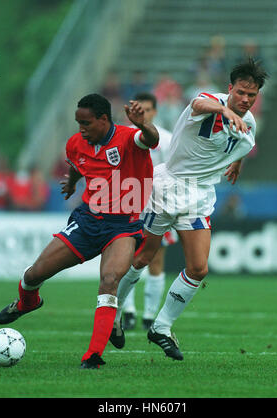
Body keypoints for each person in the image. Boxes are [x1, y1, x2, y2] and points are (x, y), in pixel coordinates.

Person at [110, 58, 268, 360]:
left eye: (252, 95)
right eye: (241, 93)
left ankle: (161, 327)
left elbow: (242, 140)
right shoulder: (211, 101)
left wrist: (236, 161)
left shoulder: (250, 122)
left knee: (198, 268)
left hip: (199, 196)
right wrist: (224, 109)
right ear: (230, 88)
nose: (246, 100)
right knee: (144, 256)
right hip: (169, 188)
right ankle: (113, 313)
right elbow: (197, 103)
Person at [0, 93, 159, 370]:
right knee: (34, 274)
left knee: (109, 280)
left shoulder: (128, 138)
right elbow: (77, 165)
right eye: (78, 123)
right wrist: (72, 183)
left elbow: (151, 140)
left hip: (123, 226)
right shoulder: (76, 143)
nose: (81, 129)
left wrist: (143, 124)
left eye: (86, 123)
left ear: (103, 120)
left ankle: (93, 356)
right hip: (87, 222)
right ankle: (27, 303)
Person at [122, 92, 178, 331]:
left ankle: (149, 315)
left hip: (158, 205)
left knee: (156, 260)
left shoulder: (166, 139)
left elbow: (174, 172)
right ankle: (128, 312)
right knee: (126, 258)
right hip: (130, 204)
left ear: (154, 111)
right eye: (138, 109)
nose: (142, 113)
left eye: (146, 109)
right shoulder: (125, 135)